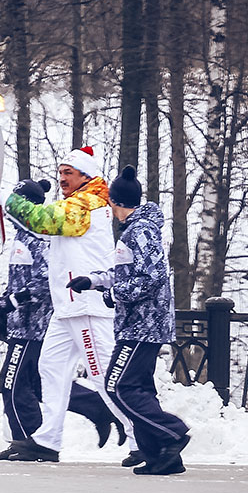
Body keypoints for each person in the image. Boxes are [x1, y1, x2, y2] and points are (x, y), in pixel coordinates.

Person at [0, 146, 134, 462]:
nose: (62, 178)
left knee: (103, 376)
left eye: (69, 173)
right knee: (50, 368)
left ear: (85, 176)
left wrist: (4, 197)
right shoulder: (74, 205)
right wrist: (5, 206)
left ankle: (143, 437)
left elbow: (43, 220)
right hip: (67, 308)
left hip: (87, 305)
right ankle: (47, 440)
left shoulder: (86, 204)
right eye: (61, 172)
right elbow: (41, 230)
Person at [67, 165, 191, 475]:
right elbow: (127, 272)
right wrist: (94, 281)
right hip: (136, 325)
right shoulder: (134, 230)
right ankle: (161, 455)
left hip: (144, 325)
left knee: (117, 386)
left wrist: (114, 294)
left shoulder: (141, 230)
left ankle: (173, 433)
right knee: (138, 389)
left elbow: (151, 277)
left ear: (116, 201)